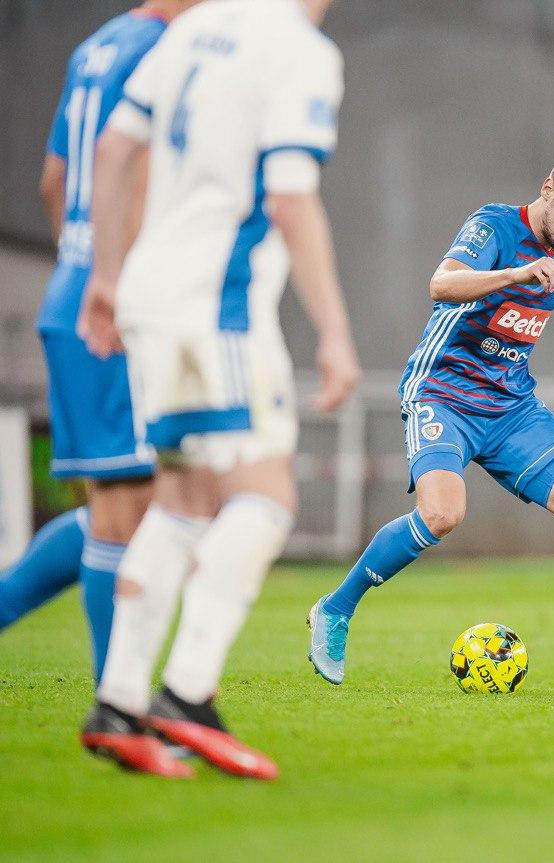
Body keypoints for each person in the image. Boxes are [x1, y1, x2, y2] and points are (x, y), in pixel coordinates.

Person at [78, 0, 360, 778]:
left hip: (150, 295)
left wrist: (106, 273)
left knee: (182, 501)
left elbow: (113, 147)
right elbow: (289, 197)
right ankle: (188, 692)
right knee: (267, 497)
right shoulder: (299, 49)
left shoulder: (193, 29)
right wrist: (334, 330)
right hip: (218, 306)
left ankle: (118, 703)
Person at [308, 149, 554, 696]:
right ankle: (335, 609)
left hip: (510, 406)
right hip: (444, 393)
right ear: (548, 188)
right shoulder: (493, 227)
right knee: (442, 514)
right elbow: (442, 284)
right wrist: (515, 273)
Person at [0, 1, 201, 680]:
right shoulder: (166, 49)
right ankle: (117, 699)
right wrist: (116, 278)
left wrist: (82, 263)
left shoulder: (97, 46)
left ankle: (115, 690)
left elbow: (54, 180)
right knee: (129, 504)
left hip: (79, 291)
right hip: (119, 304)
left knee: (134, 501)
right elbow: (137, 169)